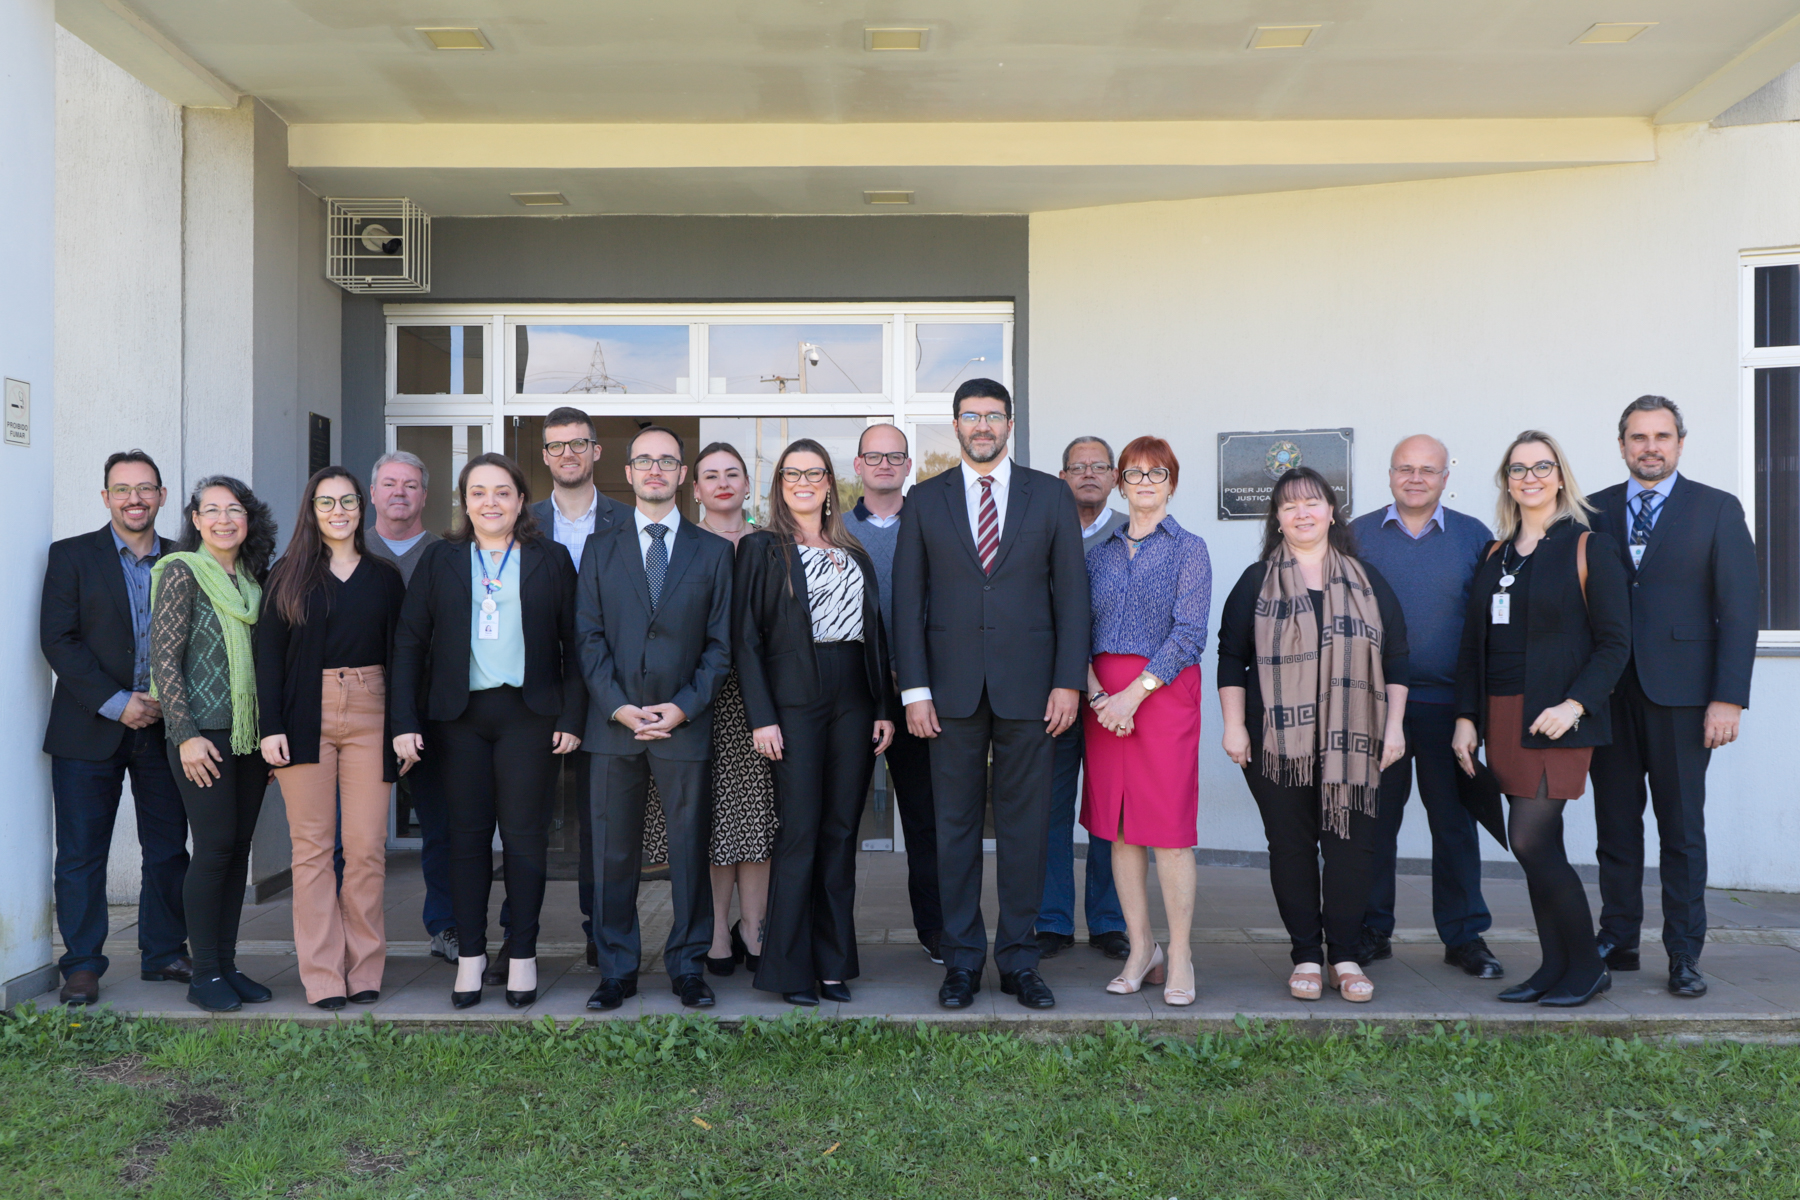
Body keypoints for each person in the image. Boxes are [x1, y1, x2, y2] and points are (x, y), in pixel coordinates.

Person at [893, 379, 1091, 1012]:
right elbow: (907, 604)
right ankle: (960, 962)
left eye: (993, 416)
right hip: (946, 695)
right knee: (952, 831)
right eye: (971, 416)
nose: (982, 426)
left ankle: (1019, 960)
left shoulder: (1051, 495)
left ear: (1010, 423)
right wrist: (915, 690)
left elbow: (1073, 598)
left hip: (1033, 692)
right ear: (954, 425)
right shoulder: (924, 500)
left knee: (1026, 830)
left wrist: (1067, 681)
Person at [390, 453, 585, 1010]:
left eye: (503, 491)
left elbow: (576, 643)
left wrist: (572, 718)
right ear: (464, 501)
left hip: (531, 717)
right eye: (478, 492)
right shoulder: (441, 559)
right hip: (459, 720)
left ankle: (522, 954)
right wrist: (404, 722)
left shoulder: (551, 559)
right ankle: (471, 956)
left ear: (522, 501)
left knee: (524, 840)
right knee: (467, 840)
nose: (491, 502)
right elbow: (408, 644)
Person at [1217, 467, 1409, 1005]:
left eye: (1312, 503)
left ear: (1331, 511)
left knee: (1352, 848)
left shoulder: (1368, 580)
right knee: (1292, 847)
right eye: (1289, 506)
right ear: (1276, 519)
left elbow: (1397, 658)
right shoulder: (1256, 582)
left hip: (1359, 740)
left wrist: (1394, 729)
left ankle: (1343, 956)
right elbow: (1231, 657)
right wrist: (1234, 726)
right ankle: (1306, 954)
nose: (1302, 513)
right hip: (1278, 746)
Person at [1453, 431, 1631, 1007]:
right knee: (1533, 842)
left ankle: (1586, 966)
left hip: (1554, 717)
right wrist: (1466, 718)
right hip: (1500, 714)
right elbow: (1472, 647)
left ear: (1560, 476)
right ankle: (1554, 966)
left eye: (1541, 466)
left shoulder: (1588, 546)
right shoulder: (1494, 554)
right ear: (1507, 480)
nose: (1529, 477)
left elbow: (1614, 644)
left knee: (1531, 840)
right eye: (1518, 468)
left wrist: (1575, 705)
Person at [1589, 396, 1758, 998]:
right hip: (1609, 696)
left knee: (1681, 830)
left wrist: (1728, 698)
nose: (1650, 447)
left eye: (1662, 436)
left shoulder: (1715, 509)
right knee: (1614, 824)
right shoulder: (1594, 510)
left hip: (1685, 698)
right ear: (1622, 445)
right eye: (1638, 437)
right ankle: (1619, 938)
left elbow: (1739, 612)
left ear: (1680, 443)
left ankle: (1685, 952)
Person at [576, 426, 735, 1012]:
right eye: (644, 461)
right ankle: (616, 970)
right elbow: (587, 639)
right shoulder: (599, 548)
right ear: (628, 472)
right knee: (613, 853)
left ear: (683, 475)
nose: (655, 470)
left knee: (689, 851)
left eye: (667, 461)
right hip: (613, 726)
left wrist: (683, 706)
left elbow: (722, 646)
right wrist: (618, 706)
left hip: (684, 724)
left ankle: (688, 967)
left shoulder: (714, 552)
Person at [737, 440, 894, 1005]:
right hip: (794, 703)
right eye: (792, 473)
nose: (803, 481)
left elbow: (873, 635)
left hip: (854, 697)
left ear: (830, 482)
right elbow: (746, 641)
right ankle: (789, 968)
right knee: (800, 832)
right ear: (780, 484)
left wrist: (882, 707)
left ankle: (833, 963)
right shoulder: (761, 549)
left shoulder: (855, 551)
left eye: (814, 472)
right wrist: (763, 717)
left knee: (840, 834)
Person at [40, 451, 192, 1007]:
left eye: (145, 488)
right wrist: (117, 701)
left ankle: (165, 951)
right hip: (89, 728)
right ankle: (81, 965)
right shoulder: (71, 557)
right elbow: (59, 640)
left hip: (166, 729)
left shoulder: (186, 560)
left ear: (162, 496)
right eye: (123, 489)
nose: (135, 498)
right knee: (82, 853)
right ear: (105, 497)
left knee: (169, 846)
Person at [1348, 435, 1503, 979]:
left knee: (1454, 825)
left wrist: (1474, 712)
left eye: (1428, 470)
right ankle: (1370, 929)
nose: (1416, 478)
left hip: (1447, 706)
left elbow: (1486, 628)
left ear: (1445, 476)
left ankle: (1464, 937)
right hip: (1372, 706)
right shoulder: (1356, 535)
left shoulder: (1474, 537)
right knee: (1373, 824)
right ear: (1389, 474)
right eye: (1405, 469)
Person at [257, 467, 407, 1010]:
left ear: (363, 507)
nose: (338, 511)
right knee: (313, 850)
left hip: (372, 709)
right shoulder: (287, 575)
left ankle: (364, 968)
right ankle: (322, 975)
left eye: (347, 501)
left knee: (366, 847)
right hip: (303, 714)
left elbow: (404, 656)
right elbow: (268, 659)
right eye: (326, 502)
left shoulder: (386, 577)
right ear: (311, 510)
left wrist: (403, 729)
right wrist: (270, 727)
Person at [1082, 437, 1211, 1006]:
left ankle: (1180, 953)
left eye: (1157, 474)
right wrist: (1097, 696)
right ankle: (1142, 947)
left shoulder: (1190, 549)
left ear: (1172, 483)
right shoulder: (1098, 553)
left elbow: (1190, 633)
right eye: (1133, 474)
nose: (1145, 483)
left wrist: (1132, 696)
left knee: (1169, 830)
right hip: (1103, 703)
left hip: (1161, 698)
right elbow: (1075, 628)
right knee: (1119, 828)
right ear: (1119, 484)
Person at [512, 406, 634, 977]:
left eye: (578, 444)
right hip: (538, 693)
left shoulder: (629, 520)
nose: (568, 453)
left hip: (612, 692)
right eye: (557, 445)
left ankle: (599, 935)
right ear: (544, 455)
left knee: (600, 825)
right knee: (524, 822)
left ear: (596, 452)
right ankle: (518, 941)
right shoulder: (521, 520)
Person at [149, 475, 277, 1013]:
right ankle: (203, 974)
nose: (224, 519)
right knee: (214, 849)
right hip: (203, 736)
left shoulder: (252, 580)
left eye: (235, 510)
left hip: (247, 736)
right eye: (212, 510)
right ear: (196, 520)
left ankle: (226, 964)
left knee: (236, 852)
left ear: (248, 520)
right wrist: (186, 736)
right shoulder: (181, 571)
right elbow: (163, 660)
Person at [844, 423, 945, 963]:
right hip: (851, 696)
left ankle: (937, 933)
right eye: (873, 457)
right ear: (857, 466)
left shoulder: (933, 525)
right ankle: (829, 937)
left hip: (917, 695)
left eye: (895, 457)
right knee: (836, 823)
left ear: (909, 467)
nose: (884, 465)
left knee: (927, 822)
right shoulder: (833, 530)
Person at [364, 450, 457, 965]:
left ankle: (445, 927)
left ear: (426, 496)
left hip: (430, 715)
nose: (400, 492)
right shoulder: (347, 549)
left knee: (440, 827)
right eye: (390, 483)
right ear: (373, 493)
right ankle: (346, 934)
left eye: (411, 485)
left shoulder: (447, 555)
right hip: (355, 712)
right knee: (351, 837)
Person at [1043, 436, 1129, 962]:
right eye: (1079, 467)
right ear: (1062, 476)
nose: (1089, 475)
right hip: (1053, 692)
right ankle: (1051, 921)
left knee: (1111, 812)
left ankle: (1109, 921)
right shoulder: (1041, 533)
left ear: (1115, 476)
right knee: (1049, 809)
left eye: (1100, 467)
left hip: (1115, 699)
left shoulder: (1132, 533)